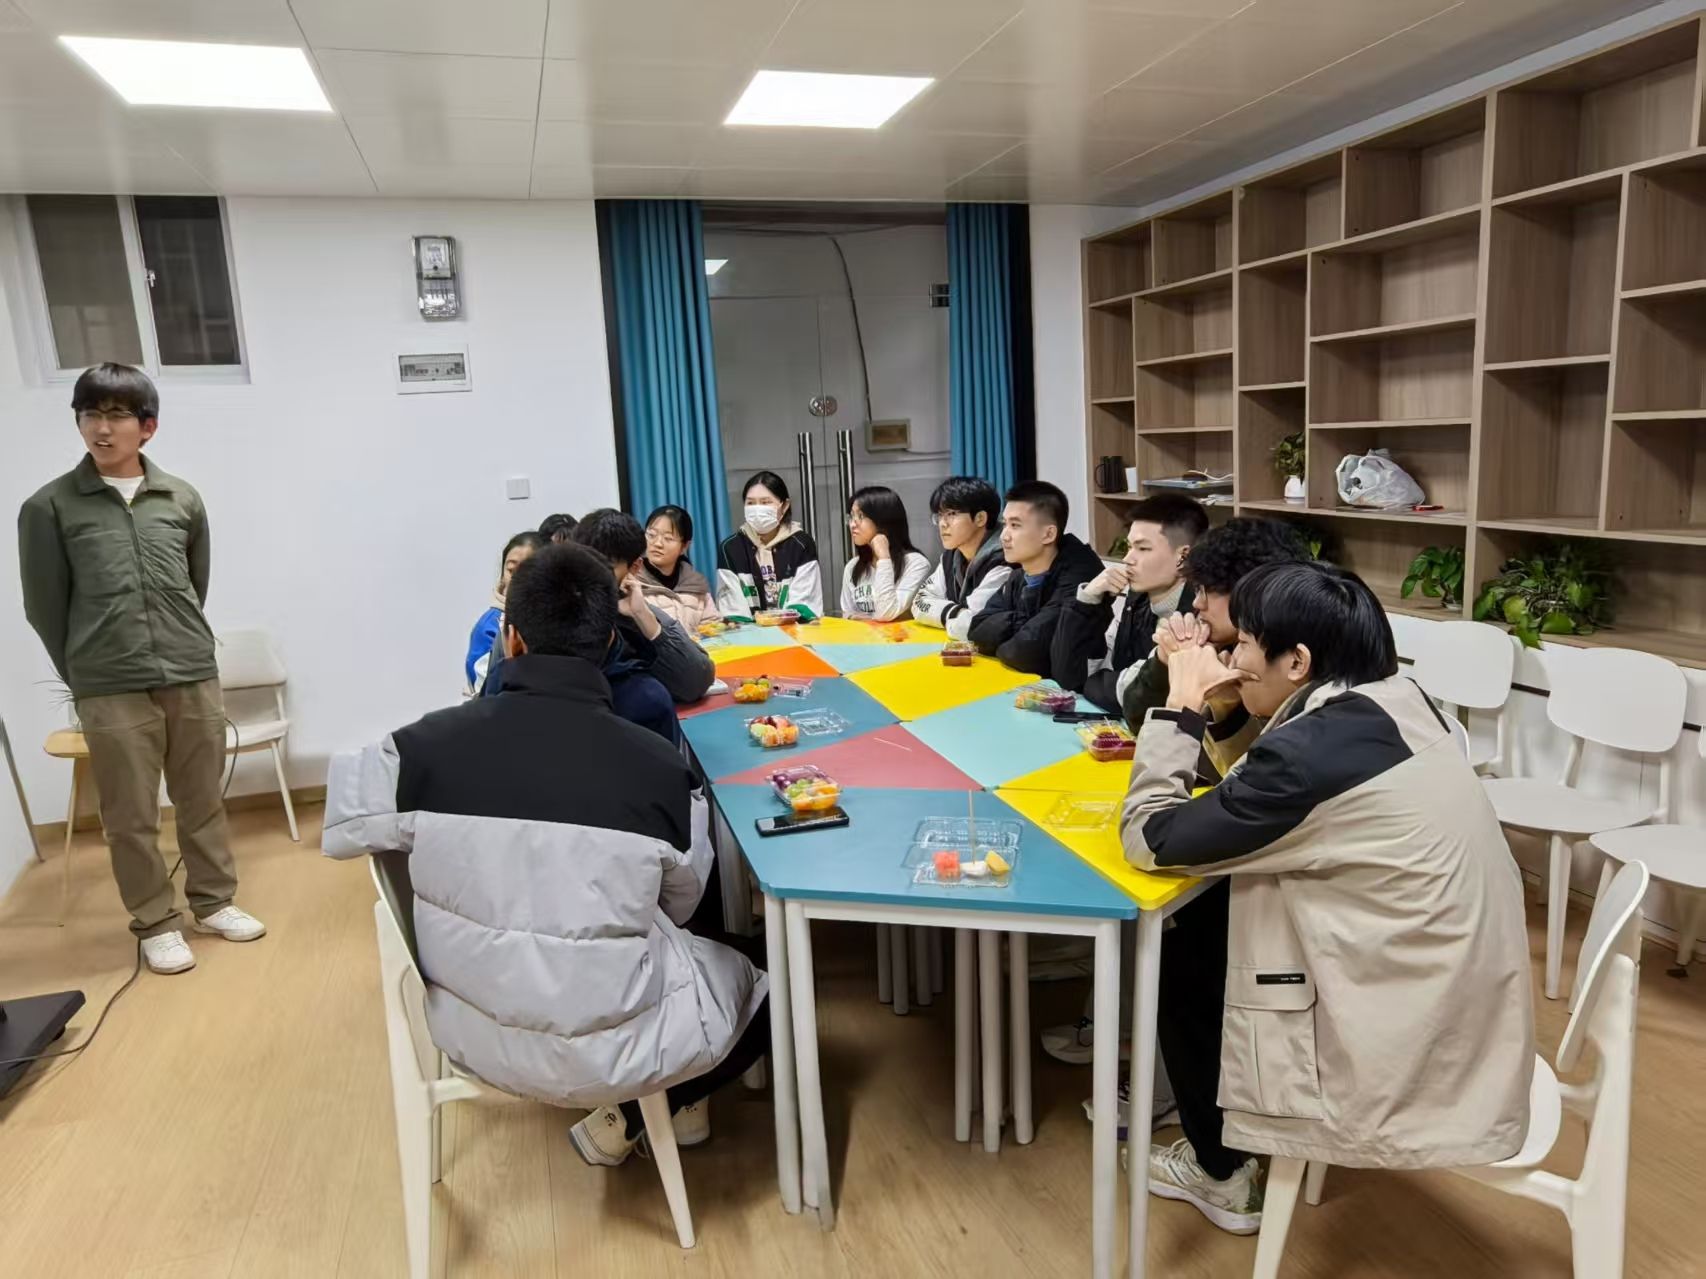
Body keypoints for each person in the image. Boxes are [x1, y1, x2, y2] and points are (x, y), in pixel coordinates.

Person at [1120, 560, 1533, 1235]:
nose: (1232, 657)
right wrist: (1221, 702)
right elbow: (1252, 791)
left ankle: (1220, 1171)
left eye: (1242, 643)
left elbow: (1151, 837)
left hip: (1407, 1019)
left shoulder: (1309, 755)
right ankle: (1216, 1129)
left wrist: (1182, 706)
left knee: (1184, 944)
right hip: (1450, 976)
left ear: (1298, 660)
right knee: (1210, 916)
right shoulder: (1390, 699)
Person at [321, 543, 768, 1163]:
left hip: (471, 1029)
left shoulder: (420, 749)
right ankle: (646, 1110)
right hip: (619, 1050)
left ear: (511, 638)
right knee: (774, 974)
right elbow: (683, 901)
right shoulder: (661, 771)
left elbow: (340, 829)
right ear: (608, 641)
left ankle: (639, 1114)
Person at [17, 363, 265, 975]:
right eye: (89, 415)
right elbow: (44, 606)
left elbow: (194, 584)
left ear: (146, 427)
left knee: (201, 798)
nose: (101, 428)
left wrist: (180, 643)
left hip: (190, 670)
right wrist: (86, 673)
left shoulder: (180, 498)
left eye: (116, 415)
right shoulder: (48, 507)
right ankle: (155, 922)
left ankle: (214, 902)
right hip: (108, 683)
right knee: (129, 816)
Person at [1051, 495, 1207, 715]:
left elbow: (1138, 695)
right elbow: (1070, 677)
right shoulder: (1137, 601)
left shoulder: (1201, 613)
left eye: (1143, 549)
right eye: (1129, 546)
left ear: (1184, 556)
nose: (1127, 559)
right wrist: (1087, 601)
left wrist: (1094, 682)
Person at [573, 509, 716, 705]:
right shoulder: (557, 604)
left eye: (606, 566)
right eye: (586, 561)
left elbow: (696, 681)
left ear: (634, 567)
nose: (592, 573)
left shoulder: (635, 609)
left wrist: (644, 617)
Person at [967, 480, 1104, 674]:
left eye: (1015, 525)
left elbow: (1022, 654)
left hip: (1073, 686)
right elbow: (977, 632)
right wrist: (1021, 624)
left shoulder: (1079, 577)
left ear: (1048, 534)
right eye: (1005, 524)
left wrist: (1002, 642)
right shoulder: (1020, 573)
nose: (1004, 536)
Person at [912, 475, 1011, 640]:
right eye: (939, 515)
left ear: (980, 518)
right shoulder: (951, 556)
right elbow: (919, 603)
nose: (942, 523)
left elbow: (970, 625)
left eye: (951, 514)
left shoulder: (1005, 560)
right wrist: (955, 612)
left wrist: (944, 613)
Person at [716, 471, 823, 618]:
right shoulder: (730, 548)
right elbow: (732, 608)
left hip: (794, 629)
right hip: (747, 631)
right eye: (751, 503)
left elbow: (805, 602)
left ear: (784, 506)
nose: (757, 509)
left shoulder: (801, 545)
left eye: (765, 502)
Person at [465, 531, 545, 694]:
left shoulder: (554, 619)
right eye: (511, 570)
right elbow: (483, 691)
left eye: (526, 570)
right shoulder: (489, 627)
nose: (517, 579)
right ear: (502, 575)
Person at [839, 485, 931, 621]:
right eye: (852, 516)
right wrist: (855, 617)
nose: (852, 524)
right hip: (862, 635)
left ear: (883, 520)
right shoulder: (852, 567)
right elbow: (847, 615)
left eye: (860, 516)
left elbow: (886, 613)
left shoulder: (916, 563)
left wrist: (883, 558)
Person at [638, 504, 721, 633]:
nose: (657, 543)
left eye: (668, 538)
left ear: (684, 546)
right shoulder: (632, 583)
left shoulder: (696, 585)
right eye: (652, 535)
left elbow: (713, 627)